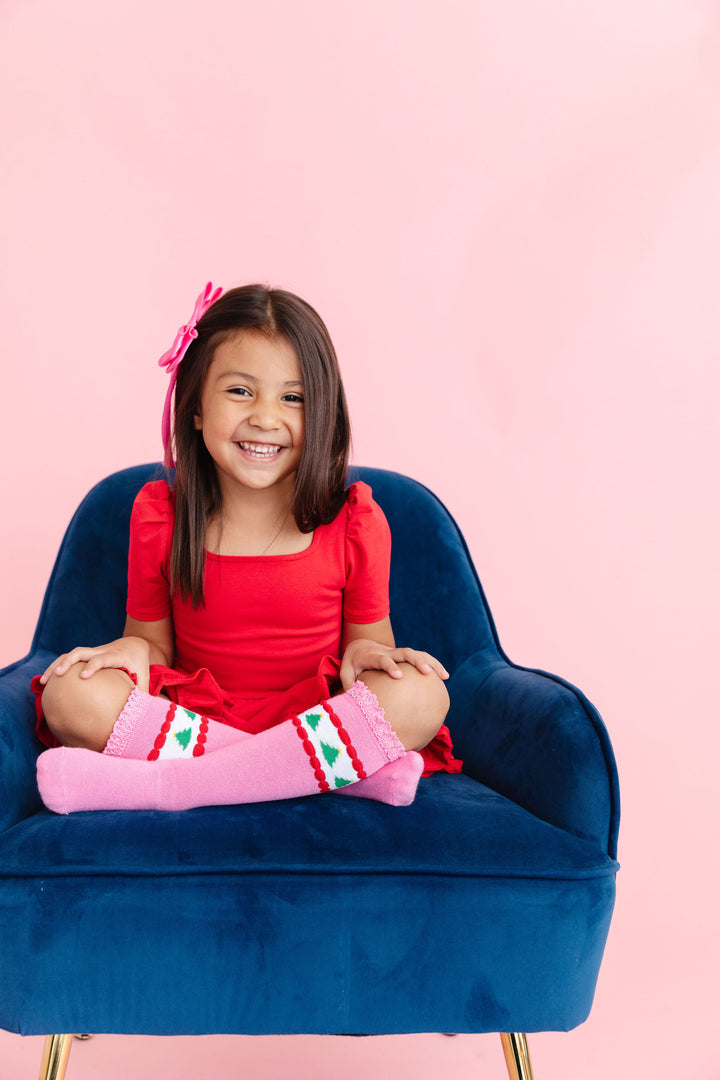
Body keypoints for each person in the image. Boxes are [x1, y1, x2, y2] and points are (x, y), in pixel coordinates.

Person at [34, 282, 460, 814]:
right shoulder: (159, 516)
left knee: (422, 694)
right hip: (192, 721)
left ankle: (169, 786)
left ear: (323, 414)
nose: (264, 417)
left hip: (318, 718)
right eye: (240, 391)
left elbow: (363, 650)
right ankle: (328, 774)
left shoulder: (356, 520)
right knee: (68, 693)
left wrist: (374, 656)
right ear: (194, 408)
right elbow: (153, 646)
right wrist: (128, 653)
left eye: (293, 397)